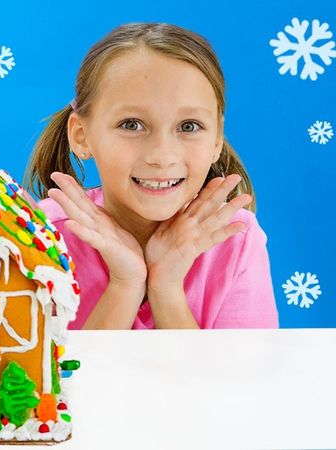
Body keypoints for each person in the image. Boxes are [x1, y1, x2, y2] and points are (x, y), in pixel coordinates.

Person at [25, 23, 279, 329]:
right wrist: (125, 284)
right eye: (132, 124)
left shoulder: (236, 239)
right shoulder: (41, 239)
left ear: (216, 140)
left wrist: (166, 288)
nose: (161, 156)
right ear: (82, 135)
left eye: (188, 126)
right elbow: (49, 377)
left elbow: (237, 376)